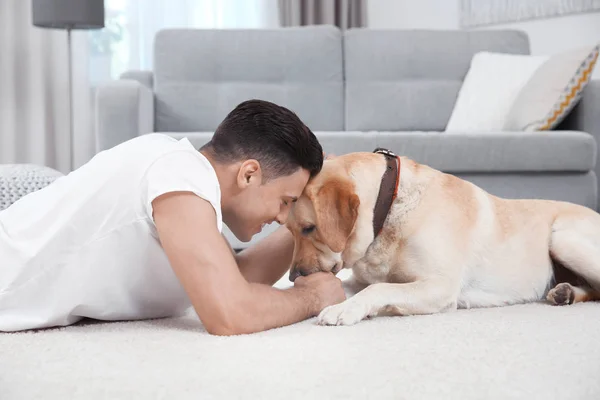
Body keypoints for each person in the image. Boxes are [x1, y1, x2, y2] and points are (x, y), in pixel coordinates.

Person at [0, 99, 346, 334]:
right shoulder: (178, 173)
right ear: (249, 174)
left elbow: (236, 280)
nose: (283, 217)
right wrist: (311, 297)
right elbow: (230, 311)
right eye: (286, 201)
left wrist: (309, 223)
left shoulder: (184, 179)